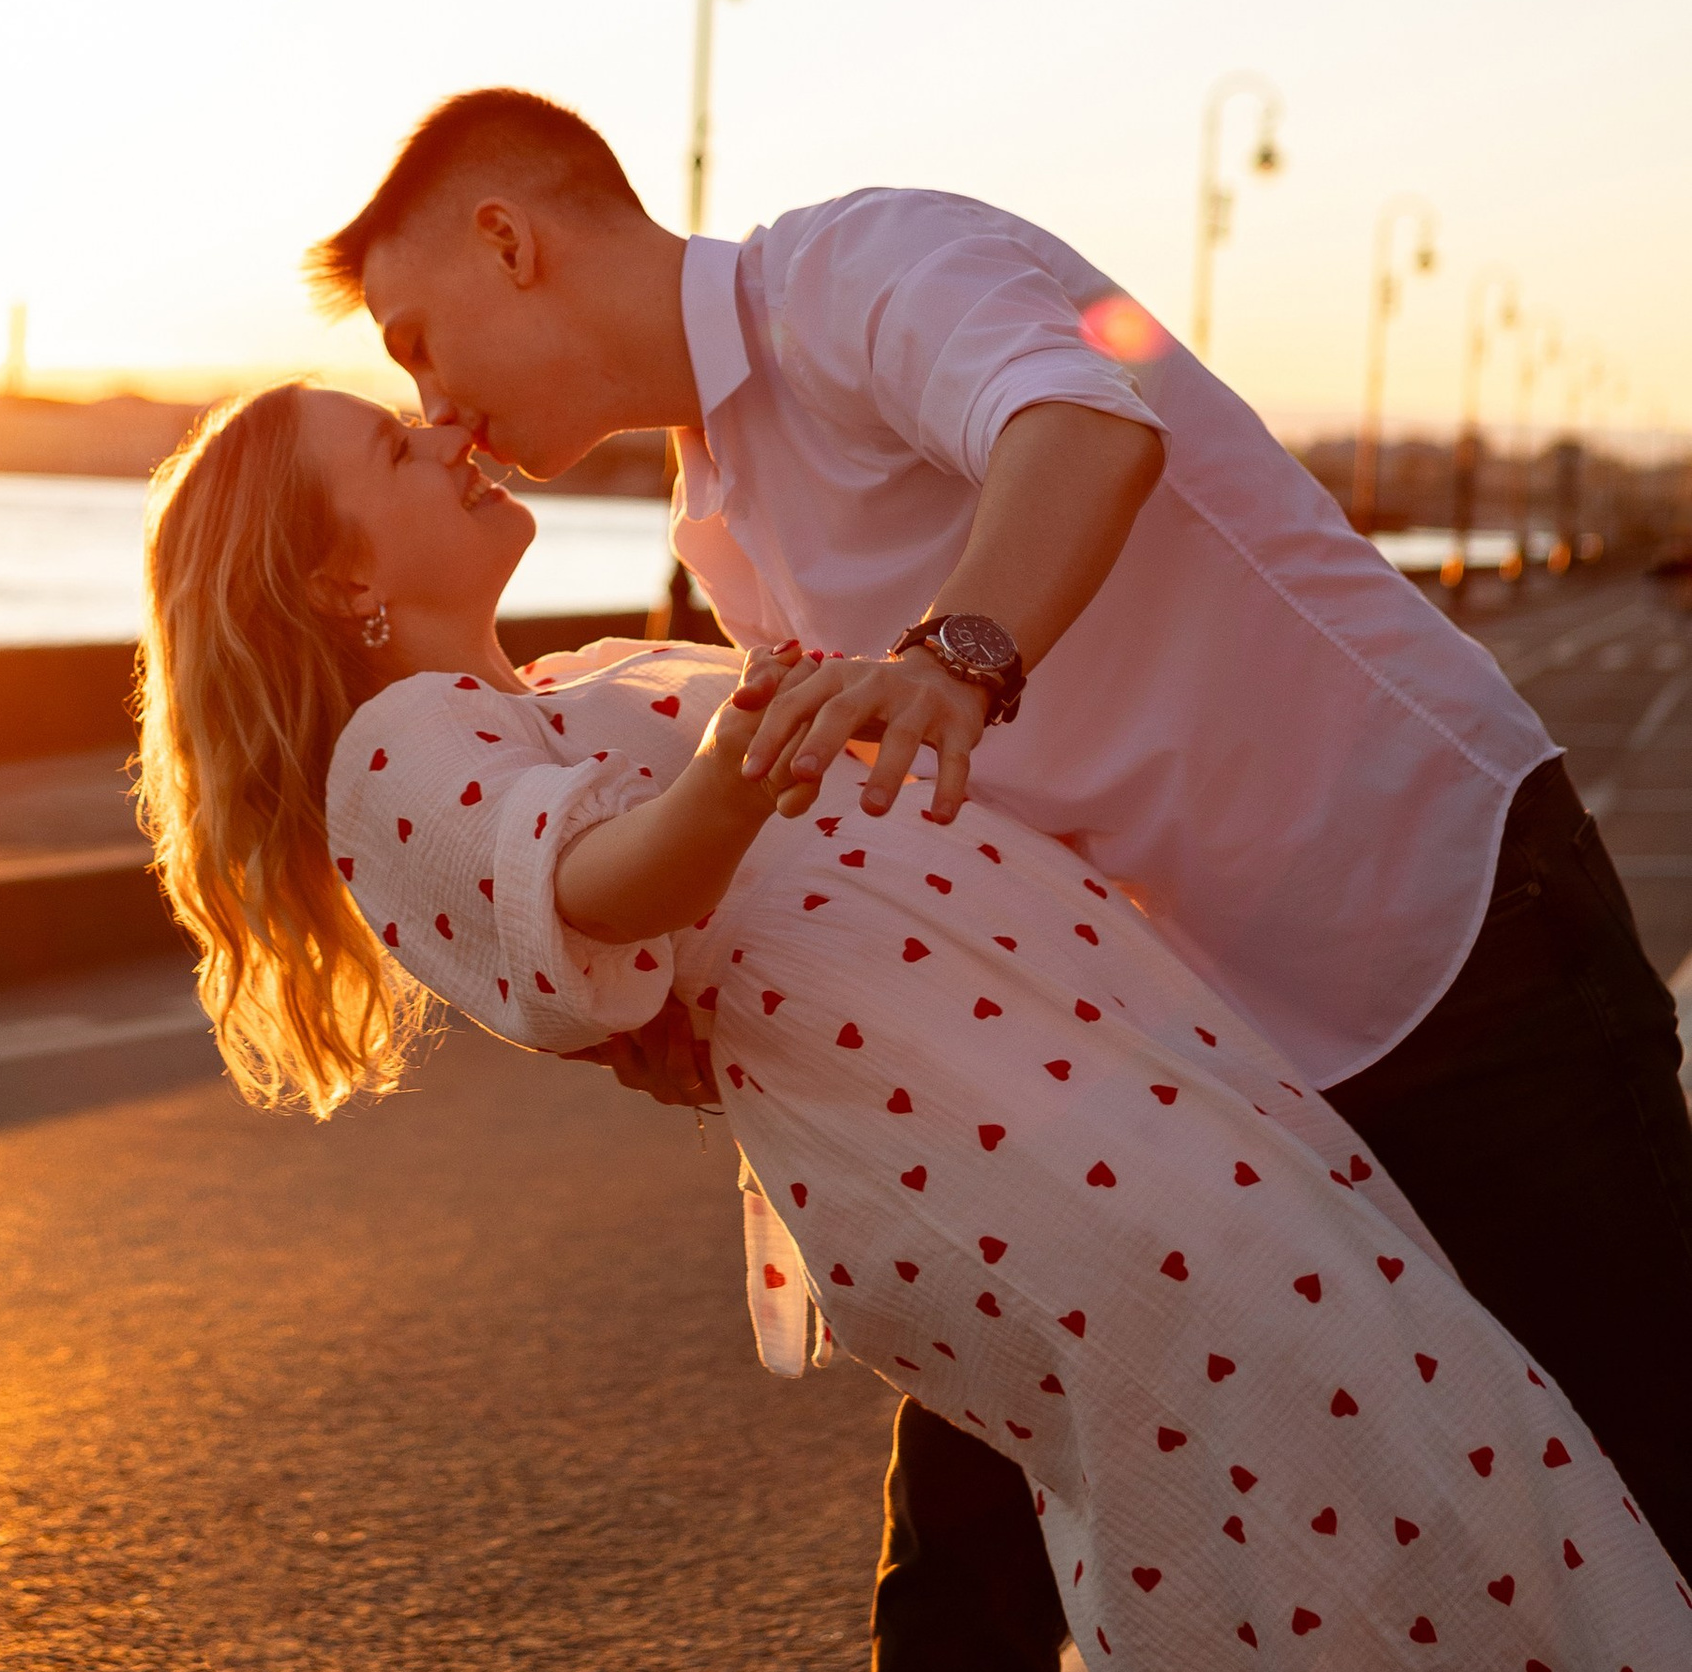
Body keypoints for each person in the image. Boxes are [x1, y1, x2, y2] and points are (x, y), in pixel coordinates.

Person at [303, 86, 1692, 1666]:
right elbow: (861, 829)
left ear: (508, 240)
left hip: (1439, 930)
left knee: (1640, 1462)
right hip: (1171, 1070)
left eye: (418, 341)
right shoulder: (723, 509)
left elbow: (1085, 418)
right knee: (973, 1559)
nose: (434, 403)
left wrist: (960, 659)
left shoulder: (853, 271)